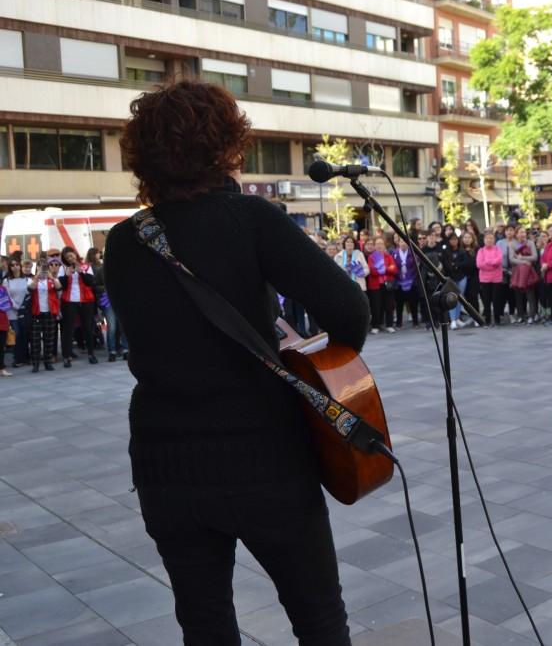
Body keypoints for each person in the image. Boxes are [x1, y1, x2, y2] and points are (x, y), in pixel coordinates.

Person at [104, 81, 367, 645]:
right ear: (226, 143)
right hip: (263, 457)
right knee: (319, 619)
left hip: (166, 463)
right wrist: (307, 360)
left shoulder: (125, 241)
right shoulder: (248, 217)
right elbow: (349, 309)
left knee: (204, 624)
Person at [57, 247, 99, 367]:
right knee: (68, 329)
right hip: (69, 301)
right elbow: (62, 286)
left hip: (86, 301)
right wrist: (66, 275)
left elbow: (90, 282)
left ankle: (91, 354)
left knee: (88, 327)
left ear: (75, 254)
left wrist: (81, 272)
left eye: (72, 255)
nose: (71, 258)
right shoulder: (62, 268)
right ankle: (67, 356)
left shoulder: (86, 266)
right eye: (68, 257)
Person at [27, 259, 61, 373]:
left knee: (49, 339)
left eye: (45, 268)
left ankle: (48, 362)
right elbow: (30, 288)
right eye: (41, 267)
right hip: (37, 313)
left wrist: (52, 277)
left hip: (50, 312)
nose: (43, 270)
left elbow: (59, 287)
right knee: (35, 340)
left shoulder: (51, 280)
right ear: (37, 268)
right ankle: (35, 364)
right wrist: (37, 277)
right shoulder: (32, 279)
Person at [440, 233, 474, 330]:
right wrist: (455, 266)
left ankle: (457, 318)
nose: (454, 241)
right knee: (451, 298)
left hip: (462, 277)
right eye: (452, 239)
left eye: (455, 239)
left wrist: (456, 265)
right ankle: (453, 320)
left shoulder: (462, 251)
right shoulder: (446, 252)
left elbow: (465, 263)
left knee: (460, 298)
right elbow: (447, 265)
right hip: (451, 278)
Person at [508, 226, 539, 325]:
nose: (522, 234)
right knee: (518, 295)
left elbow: (534, 257)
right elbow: (512, 259)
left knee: (530, 295)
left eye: (524, 232)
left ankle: (531, 315)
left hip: (529, 272)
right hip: (517, 272)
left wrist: (523, 258)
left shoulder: (530, 243)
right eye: (520, 232)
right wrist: (524, 262)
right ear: (516, 234)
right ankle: (520, 315)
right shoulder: (513, 244)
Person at [2, 259, 30, 368]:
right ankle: (17, 358)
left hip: (24, 311)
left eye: (17, 264)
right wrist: (16, 306)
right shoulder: (7, 281)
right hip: (12, 312)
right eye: (12, 265)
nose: (15, 267)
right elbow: (7, 296)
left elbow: (28, 294)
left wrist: (23, 306)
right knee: (16, 335)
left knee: (25, 334)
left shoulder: (26, 279)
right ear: (10, 267)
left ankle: (25, 357)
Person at [366, 236, 398, 334]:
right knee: (376, 306)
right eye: (377, 244)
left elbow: (394, 269)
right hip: (375, 285)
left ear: (384, 246)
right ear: (374, 246)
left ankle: (389, 325)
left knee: (389, 305)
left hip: (387, 285)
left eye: (381, 244)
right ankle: (375, 326)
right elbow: (372, 271)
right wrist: (386, 269)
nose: (379, 246)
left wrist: (382, 269)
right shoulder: (371, 257)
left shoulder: (388, 257)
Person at [391, 234, 420, 329]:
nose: (403, 243)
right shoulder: (394, 253)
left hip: (412, 282)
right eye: (401, 241)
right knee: (399, 304)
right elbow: (392, 266)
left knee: (413, 303)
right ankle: (399, 323)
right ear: (398, 243)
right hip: (399, 282)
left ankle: (415, 322)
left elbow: (416, 268)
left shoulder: (413, 253)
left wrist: (412, 278)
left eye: (405, 241)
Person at [476, 231, 504, 326]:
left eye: (491, 238)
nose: (489, 240)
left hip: (497, 278)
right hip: (484, 279)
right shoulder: (481, 251)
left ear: (494, 240)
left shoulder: (498, 249)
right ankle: (487, 319)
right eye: (487, 238)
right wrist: (492, 263)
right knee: (486, 300)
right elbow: (479, 264)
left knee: (496, 300)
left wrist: (487, 262)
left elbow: (499, 260)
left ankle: (497, 319)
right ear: (484, 240)